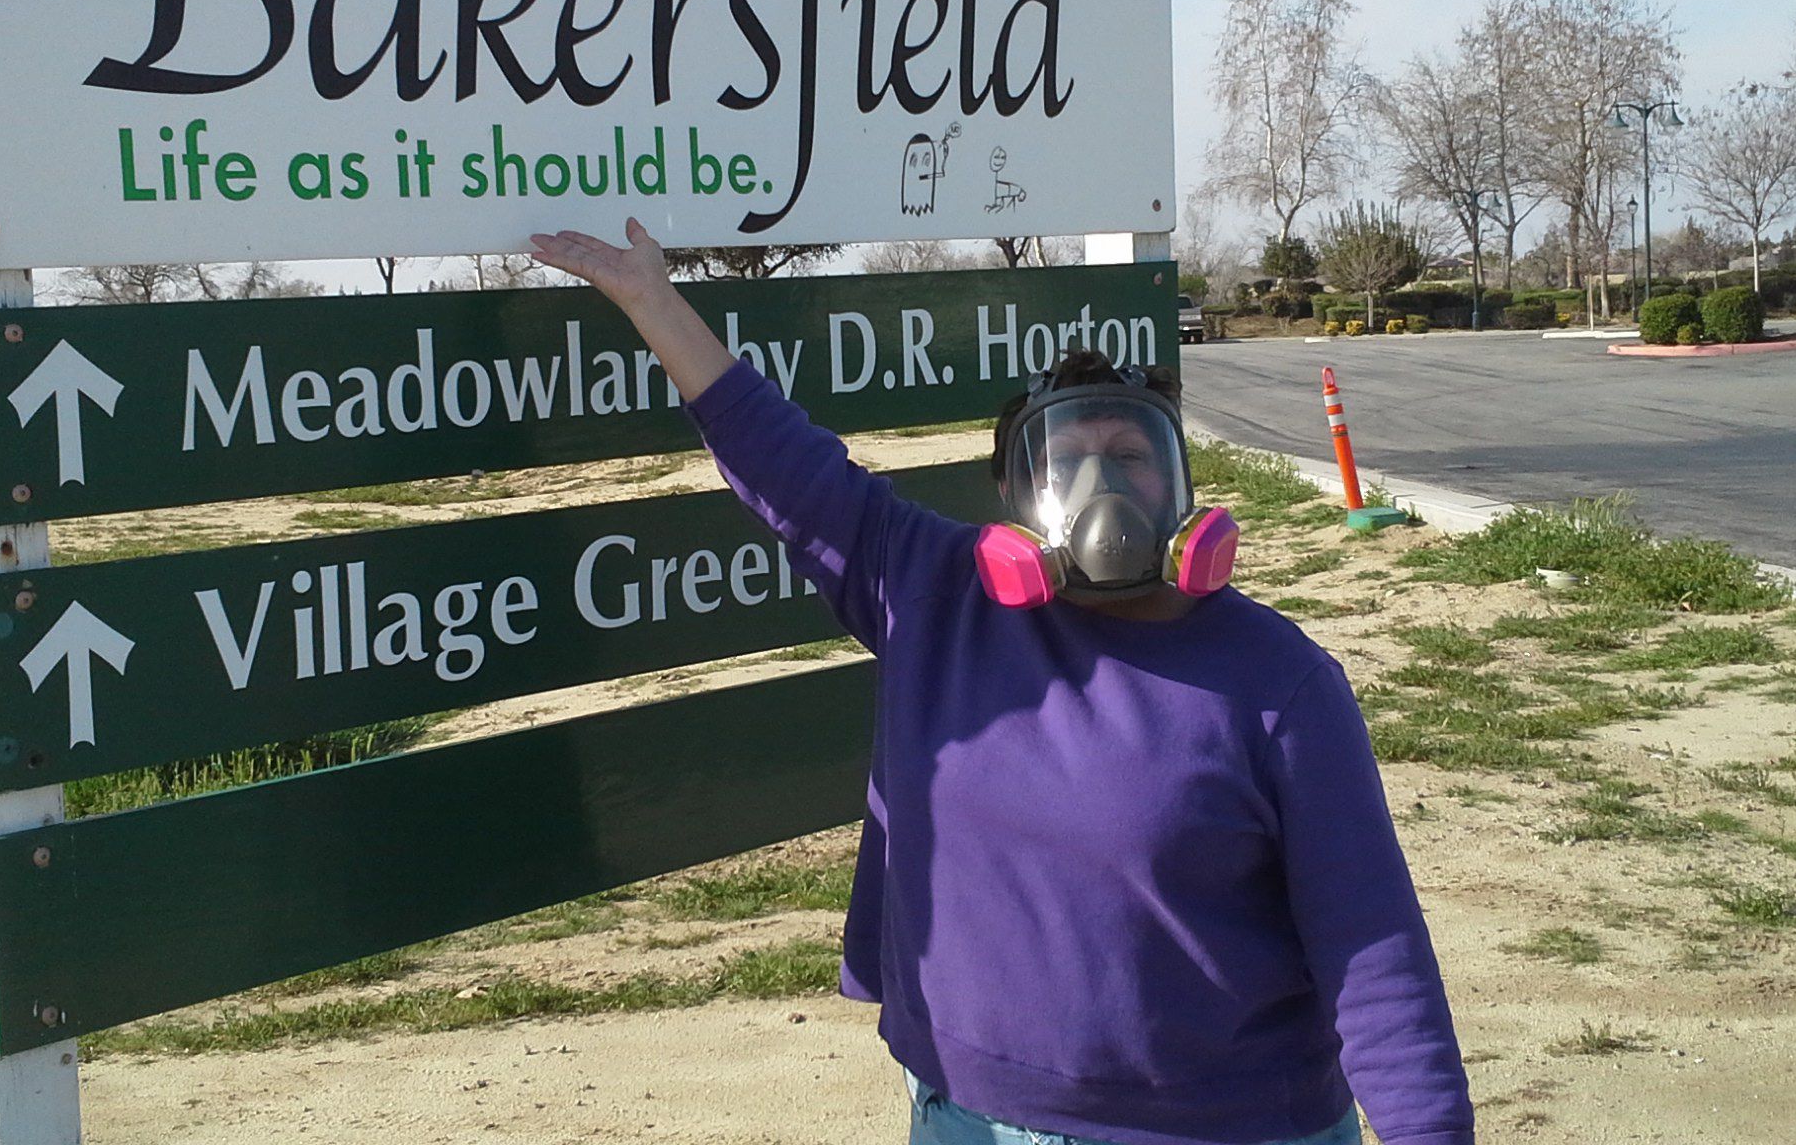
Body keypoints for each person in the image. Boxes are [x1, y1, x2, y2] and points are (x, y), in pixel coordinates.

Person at [528, 219, 1475, 1145]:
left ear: (1184, 488)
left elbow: (1372, 947)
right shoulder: (929, 593)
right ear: (1016, 499)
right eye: (1067, 462)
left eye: (1134, 456)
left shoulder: (1278, 680)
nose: (1103, 486)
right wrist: (651, 297)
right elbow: (780, 458)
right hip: (963, 1114)